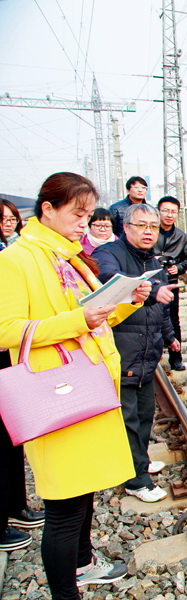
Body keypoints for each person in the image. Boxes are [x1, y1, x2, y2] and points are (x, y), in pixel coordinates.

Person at [0, 172, 146, 597]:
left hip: (85, 387)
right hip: (55, 396)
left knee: (83, 495)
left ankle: (83, 564)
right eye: (77, 214)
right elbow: (6, 329)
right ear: (47, 209)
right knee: (64, 506)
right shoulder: (17, 259)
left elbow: (89, 318)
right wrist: (77, 320)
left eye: (88, 214)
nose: (85, 222)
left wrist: (122, 303)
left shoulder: (65, 256)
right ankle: (66, 592)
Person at [94, 204, 180, 503]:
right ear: (126, 227)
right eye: (141, 225)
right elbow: (108, 277)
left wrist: (169, 337)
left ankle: (139, 462)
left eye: (153, 227)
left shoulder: (152, 259)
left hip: (147, 352)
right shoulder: (109, 254)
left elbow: (162, 305)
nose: (148, 232)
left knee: (144, 416)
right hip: (122, 351)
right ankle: (136, 480)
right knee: (128, 418)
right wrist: (151, 288)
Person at [1, 201, 45, 553]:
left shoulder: (12, 252)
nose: (7, 223)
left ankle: (15, 507)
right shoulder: (11, 259)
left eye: (11, 218)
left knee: (12, 441)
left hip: (9, 363)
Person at [152, 196, 187, 371]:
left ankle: (176, 358)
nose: (169, 215)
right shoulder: (150, 230)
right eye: (165, 211)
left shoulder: (181, 237)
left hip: (171, 282)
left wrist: (178, 267)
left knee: (173, 320)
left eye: (173, 212)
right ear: (158, 211)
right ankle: (153, 355)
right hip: (151, 283)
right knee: (150, 318)